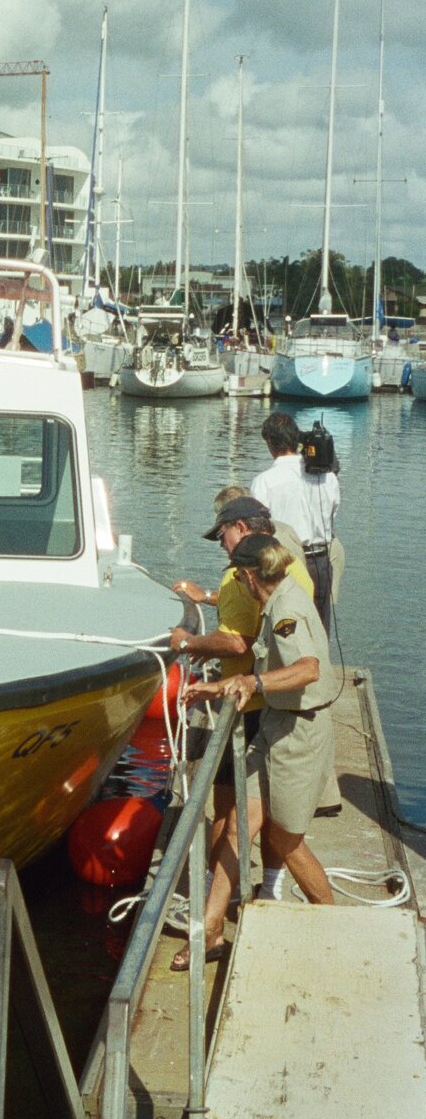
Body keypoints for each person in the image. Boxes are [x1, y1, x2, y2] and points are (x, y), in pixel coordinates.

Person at [170, 533, 337, 971]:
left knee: (284, 838)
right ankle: (210, 932)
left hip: (299, 733)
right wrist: (222, 684)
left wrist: (254, 683)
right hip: (275, 726)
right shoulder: (277, 599)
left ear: (246, 576)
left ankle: (334, 922)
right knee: (238, 828)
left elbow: (307, 668)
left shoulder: (285, 610)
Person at [170, 495, 314, 910]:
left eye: (223, 534)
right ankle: (269, 886)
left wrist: (190, 642)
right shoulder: (291, 566)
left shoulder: (239, 574)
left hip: (248, 704)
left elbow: (237, 639)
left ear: (243, 529)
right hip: (280, 705)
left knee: (228, 803)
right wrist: (212, 598)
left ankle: (214, 892)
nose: (221, 543)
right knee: (271, 810)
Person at [251, 413, 340, 630]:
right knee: (319, 628)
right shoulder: (327, 476)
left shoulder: (264, 482)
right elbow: (333, 512)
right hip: (321, 559)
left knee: (288, 628)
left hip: (286, 563)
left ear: (270, 442)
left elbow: (257, 531)